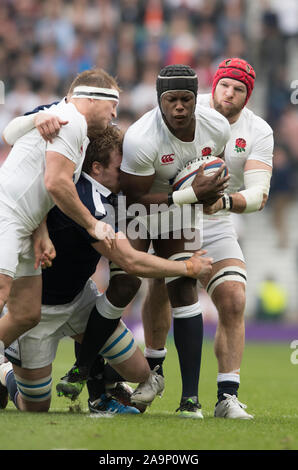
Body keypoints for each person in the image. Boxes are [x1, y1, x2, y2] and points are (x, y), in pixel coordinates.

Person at [0, 124, 213, 414]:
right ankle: (5, 373)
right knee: (34, 406)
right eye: (119, 165)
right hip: (39, 309)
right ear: (97, 168)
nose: (125, 171)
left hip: (79, 300)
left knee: (140, 373)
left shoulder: (108, 191)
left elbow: (145, 203)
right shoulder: (84, 200)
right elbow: (130, 261)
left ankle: (100, 392)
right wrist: (188, 266)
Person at [140, 58, 274, 419]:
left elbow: (260, 194)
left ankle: (226, 396)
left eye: (239, 89)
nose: (228, 94)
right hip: (170, 215)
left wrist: (223, 202)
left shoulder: (257, 131)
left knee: (233, 298)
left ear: (248, 96)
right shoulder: (183, 106)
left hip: (217, 219)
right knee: (161, 287)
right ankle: (152, 373)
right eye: (224, 85)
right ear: (213, 86)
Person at [117, 63, 231, 418]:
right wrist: (189, 195)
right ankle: (96, 379)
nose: (179, 107)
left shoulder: (218, 126)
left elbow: (215, 168)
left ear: (197, 100)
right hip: (140, 208)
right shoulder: (141, 137)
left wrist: (211, 193)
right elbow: (133, 196)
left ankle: (190, 400)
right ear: (159, 101)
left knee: (183, 288)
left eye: (186, 99)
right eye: (171, 100)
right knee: (124, 286)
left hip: (179, 210)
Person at [0, 68, 120, 362]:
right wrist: (93, 225)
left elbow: (19, 148)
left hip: (26, 224)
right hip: (7, 214)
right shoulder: (72, 121)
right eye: (112, 105)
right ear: (91, 99)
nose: (115, 114)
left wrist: (41, 232)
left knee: (26, 313)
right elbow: (55, 183)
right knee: (1, 288)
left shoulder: (65, 119)